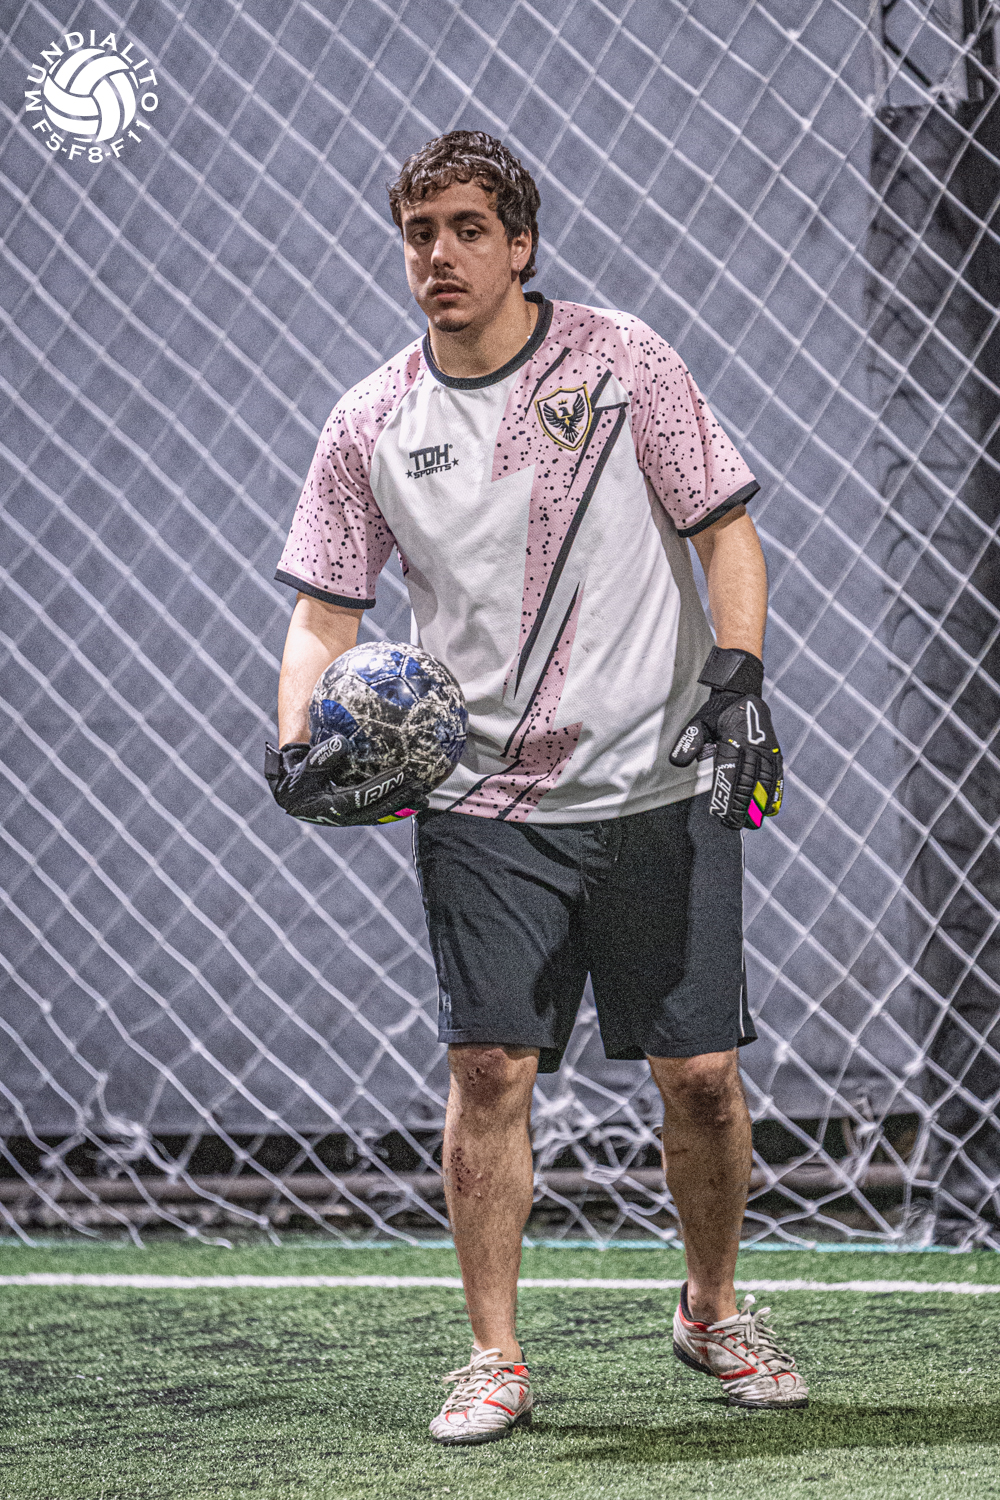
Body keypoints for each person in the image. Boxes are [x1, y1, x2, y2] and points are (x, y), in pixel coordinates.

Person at [267, 130, 808, 1443]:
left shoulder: (624, 363)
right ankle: (495, 1357)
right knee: (490, 1067)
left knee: (701, 1076)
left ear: (521, 243)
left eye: (467, 229)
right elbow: (325, 614)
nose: (439, 256)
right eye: (419, 233)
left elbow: (726, 532)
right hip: (480, 800)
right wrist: (295, 741)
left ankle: (711, 1310)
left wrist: (738, 674)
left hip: (659, 778)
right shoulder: (370, 423)